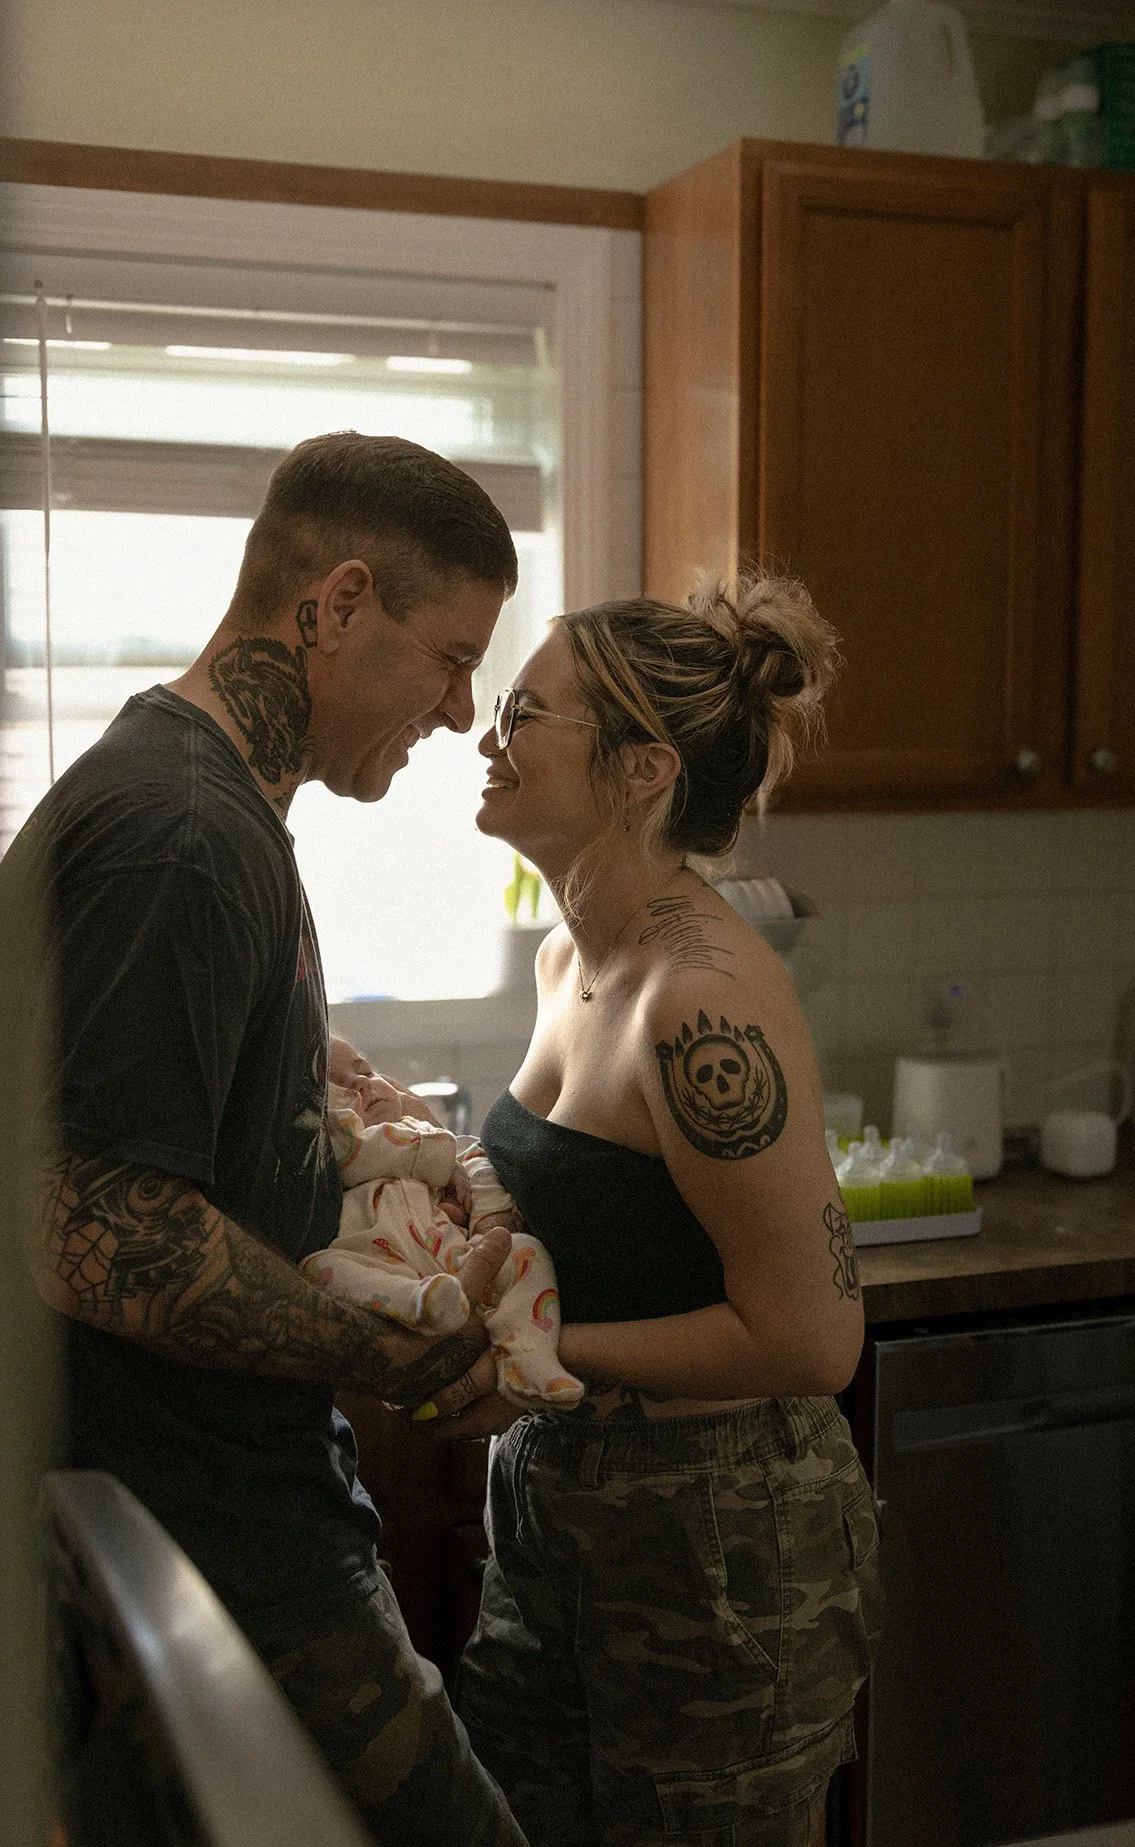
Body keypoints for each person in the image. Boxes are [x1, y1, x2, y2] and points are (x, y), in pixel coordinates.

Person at [0, 432, 531, 1847]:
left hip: (222, 1516)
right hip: (201, 1536)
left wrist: (339, 1098)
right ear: (339, 603)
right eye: (450, 654)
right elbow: (95, 1228)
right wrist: (397, 1351)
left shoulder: (215, 807)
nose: (462, 706)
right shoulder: (179, 833)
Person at [429, 576, 882, 1846]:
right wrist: (429, 1174)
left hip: (717, 1542)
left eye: (526, 710)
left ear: (639, 769)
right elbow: (581, 1191)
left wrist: (541, 1352)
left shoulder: (702, 996)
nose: (487, 733)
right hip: (556, 1511)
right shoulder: (567, 953)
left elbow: (809, 1339)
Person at [311, 1039, 584, 1408]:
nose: (361, 1085)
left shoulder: (426, 1132)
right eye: (338, 1087)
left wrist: (488, 1225)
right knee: (323, 1269)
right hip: (381, 1267)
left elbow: (477, 1167)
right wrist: (432, 1154)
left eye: (365, 1071)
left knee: (525, 1251)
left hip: (455, 1257)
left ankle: (529, 1357)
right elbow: (357, 1152)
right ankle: (419, 1303)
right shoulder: (338, 1148)